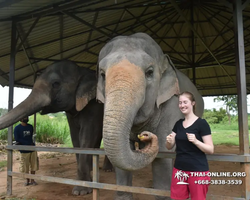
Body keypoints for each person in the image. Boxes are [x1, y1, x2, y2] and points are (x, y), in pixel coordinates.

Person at [166, 91, 214, 200]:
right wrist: (169, 141)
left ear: (193, 103)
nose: (182, 105)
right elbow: (169, 146)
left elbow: (210, 149)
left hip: (198, 171)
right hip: (179, 170)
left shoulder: (202, 124)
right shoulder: (178, 124)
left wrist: (196, 141)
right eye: (180, 103)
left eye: (185, 102)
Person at [14, 116, 39, 186]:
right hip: (24, 150)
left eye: (27, 117)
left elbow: (30, 137)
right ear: (20, 119)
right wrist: (26, 144)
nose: (26, 118)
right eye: (24, 117)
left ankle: (32, 180)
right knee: (25, 166)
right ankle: (27, 180)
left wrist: (31, 144)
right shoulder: (17, 128)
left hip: (32, 149)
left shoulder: (30, 127)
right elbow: (17, 139)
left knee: (34, 165)